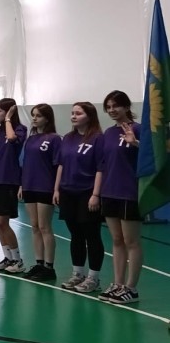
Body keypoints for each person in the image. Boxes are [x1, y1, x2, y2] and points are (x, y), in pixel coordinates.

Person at [54, 102, 104, 293]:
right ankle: (78, 274)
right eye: (72, 113)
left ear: (89, 116)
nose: (73, 116)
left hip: (87, 193)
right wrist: (57, 189)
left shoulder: (98, 138)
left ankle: (93, 278)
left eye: (78, 113)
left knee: (92, 235)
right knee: (75, 235)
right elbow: (61, 165)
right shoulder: (68, 138)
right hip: (68, 192)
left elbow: (100, 168)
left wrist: (95, 194)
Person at [98, 90, 142, 304]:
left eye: (116, 105)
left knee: (131, 241)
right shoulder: (108, 133)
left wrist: (135, 143)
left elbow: (152, 159)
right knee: (116, 240)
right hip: (109, 192)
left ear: (126, 106)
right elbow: (103, 163)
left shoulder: (139, 129)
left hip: (129, 192)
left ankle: (131, 288)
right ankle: (117, 283)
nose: (112, 110)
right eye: (108, 107)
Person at [0, 99, 28, 273]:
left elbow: (11, 139)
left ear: (9, 112)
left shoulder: (19, 129)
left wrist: (8, 119)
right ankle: (8, 257)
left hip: (8, 180)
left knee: (3, 221)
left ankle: (18, 260)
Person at [18, 104, 60, 281]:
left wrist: (56, 189)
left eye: (39, 116)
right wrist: (21, 185)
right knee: (34, 226)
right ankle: (39, 263)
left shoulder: (55, 139)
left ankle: (49, 267)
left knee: (44, 226)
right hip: (29, 186)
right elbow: (26, 164)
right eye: (33, 115)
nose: (34, 118)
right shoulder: (30, 139)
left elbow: (58, 166)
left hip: (45, 187)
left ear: (47, 118)